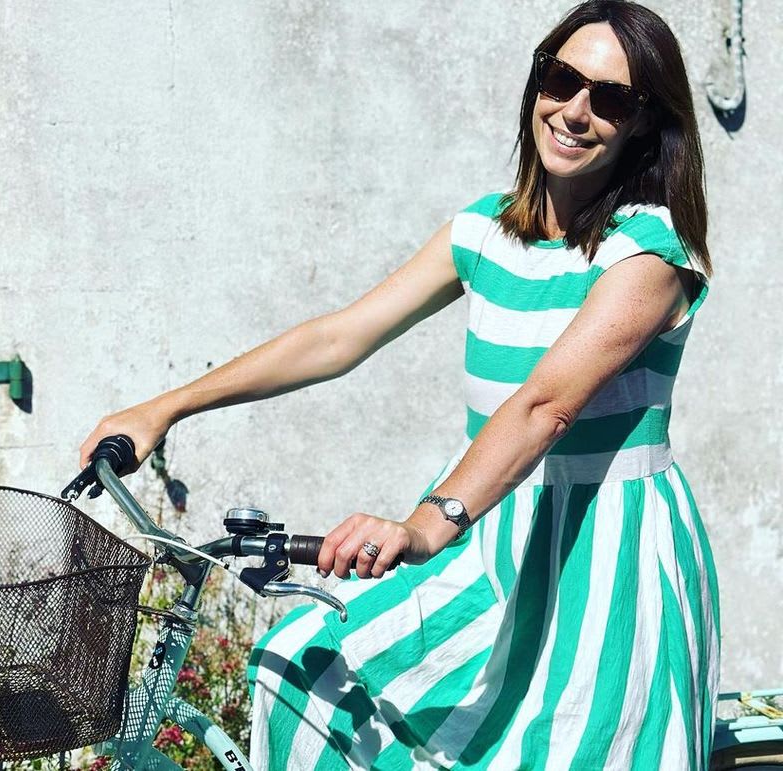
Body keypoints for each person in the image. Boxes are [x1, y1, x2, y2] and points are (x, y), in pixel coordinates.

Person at [79, 0, 719, 767]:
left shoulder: (650, 251)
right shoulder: (484, 232)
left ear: (646, 124)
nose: (575, 111)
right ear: (537, 83)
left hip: (601, 552)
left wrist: (422, 525)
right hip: (488, 534)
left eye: (610, 98)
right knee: (299, 667)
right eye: (561, 79)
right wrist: (165, 407)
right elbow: (338, 335)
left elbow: (546, 406)